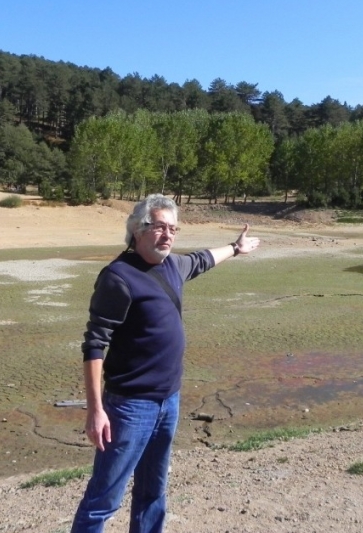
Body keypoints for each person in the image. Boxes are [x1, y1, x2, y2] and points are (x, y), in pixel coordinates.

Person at [70, 193, 260, 533]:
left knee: (152, 493)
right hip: (129, 407)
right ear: (137, 230)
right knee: (103, 501)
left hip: (168, 401)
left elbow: (202, 260)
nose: (168, 235)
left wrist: (235, 247)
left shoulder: (173, 266)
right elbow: (95, 345)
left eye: (173, 228)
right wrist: (95, 410)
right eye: (159, 227)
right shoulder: (118, 277)